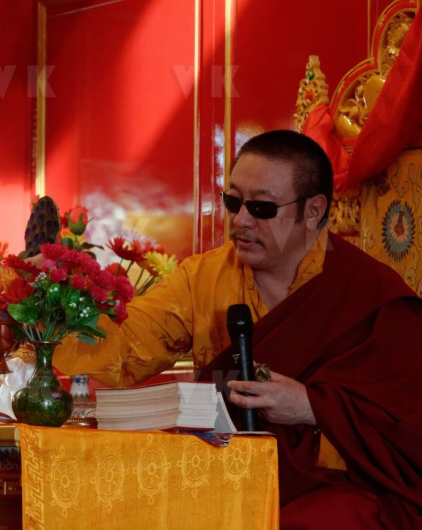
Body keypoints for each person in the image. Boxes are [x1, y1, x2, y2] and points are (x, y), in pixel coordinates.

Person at [54, 130, 422, 528]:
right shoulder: (204, 279)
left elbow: (407, 424)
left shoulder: (365, 292)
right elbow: (125, 346)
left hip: (340, 484)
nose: (240, 221)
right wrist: (50, 317)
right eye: (233, 201)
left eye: (261, 207)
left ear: (314, 211)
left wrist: (311, 407)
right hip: (218, 472)